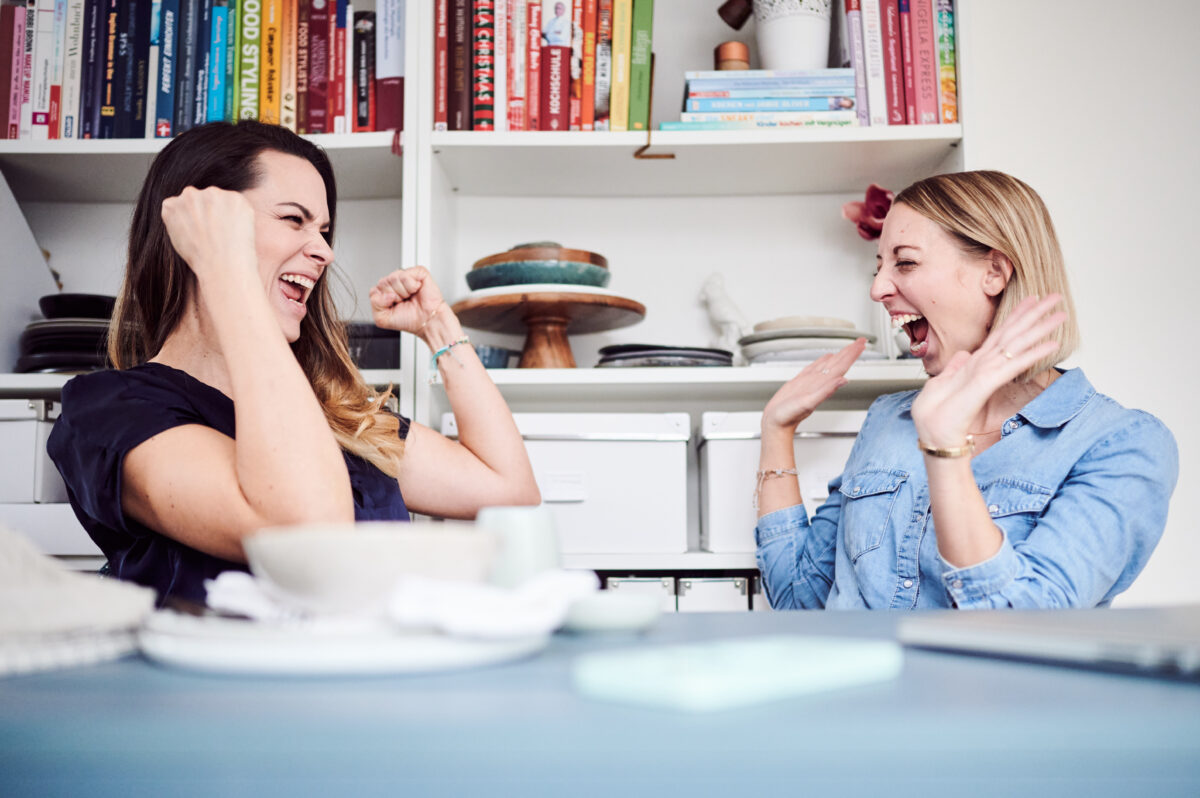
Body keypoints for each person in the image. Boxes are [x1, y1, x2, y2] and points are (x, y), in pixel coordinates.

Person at [47, 121, 540, 604]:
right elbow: (310, 537)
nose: (323, 250)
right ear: (202, 228)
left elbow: (508, 491)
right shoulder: (109, 410)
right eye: (293, 219)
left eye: (324, 230)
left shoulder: (331, 414)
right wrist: (224, 269)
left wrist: (439, 326)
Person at [755, 170, 1177, 609]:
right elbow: (800, 600)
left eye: (906, 262)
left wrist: (945, 452)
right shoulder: (888, 420)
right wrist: (776, 431)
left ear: (994, 272)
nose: (877, 289)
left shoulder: (1120, 444)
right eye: (879, 268)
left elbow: (1021, 628)